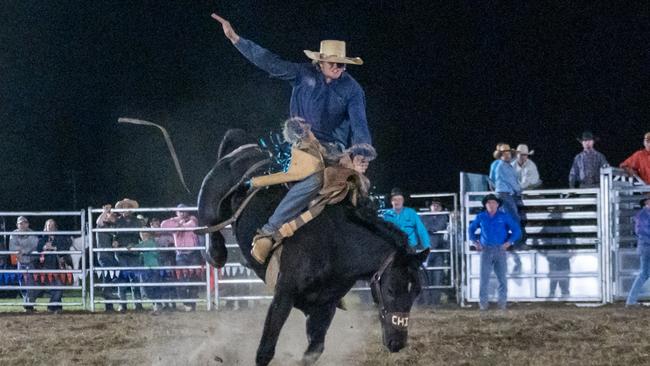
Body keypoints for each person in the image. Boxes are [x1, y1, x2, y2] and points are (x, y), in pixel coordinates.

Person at [211, 13, 372, 149]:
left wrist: (361, 154)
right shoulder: (302, 73)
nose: (337, 67)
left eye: (341, 64)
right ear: (320, 62)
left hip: (333, 149)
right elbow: (271, 63)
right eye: (332, 63)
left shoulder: (352, 89)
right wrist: (236, 39)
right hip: (300, 142)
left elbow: (360, 124)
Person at [468, 194, 522, 311]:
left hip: (500, 249)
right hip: (486, 249)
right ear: (485, 205)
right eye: (489, 203)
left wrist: (509, 242)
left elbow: (516, 230)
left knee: (502, 279)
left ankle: (502, 305)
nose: (491, 205)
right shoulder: (481, 216)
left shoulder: (504, 216)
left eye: (493, 203)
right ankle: (483, 306)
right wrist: (475, 242)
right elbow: (471, 229)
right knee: (484, 279)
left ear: (497, 205)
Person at [161, 204, 201, 312]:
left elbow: (191, 226)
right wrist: (177, 221)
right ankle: (186, 302)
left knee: (194, 278)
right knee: (181, 279)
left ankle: (192, 304)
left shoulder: (192, 219)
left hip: (193, 253)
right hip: (181, 254)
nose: (182, 213)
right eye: (180, 211)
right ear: (176, 213)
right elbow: (163, 225)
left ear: (188, 212)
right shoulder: (173, 222)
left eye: (184, 211)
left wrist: (178, 226)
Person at [112, 198, 144, 312]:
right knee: (122, 278)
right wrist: (114, 241)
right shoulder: (117, 221)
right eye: (123, 207)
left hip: (134, 252)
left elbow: (142, 236)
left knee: (135, 278)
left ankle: (138, 304)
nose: (125, 208)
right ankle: (122, 304)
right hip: (121, 252)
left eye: (128, 206)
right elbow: (114, 235)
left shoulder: (138, 221)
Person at [35, 219, 72, 313]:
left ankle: (53, 306)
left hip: (58, 268)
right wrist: (44, 247)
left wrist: (54, 248)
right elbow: (38, 248)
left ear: (55, 227)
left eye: (52, 225)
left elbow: (66, 246)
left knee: (59, 286)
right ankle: (56, 306)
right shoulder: (42, 238)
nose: (50, 227)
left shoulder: (60, 238)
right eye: (48, 225)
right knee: (57, 286)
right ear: (45, 228)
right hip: (45, 269)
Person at [489, 143, 525, 240]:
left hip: (503, 194)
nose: (507, 154)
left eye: (508, 152)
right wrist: (519, 191)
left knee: (505, 219)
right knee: (514, 218)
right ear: (501, 155)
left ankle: (502, 242)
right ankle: (518, 242)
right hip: (505, 194)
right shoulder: (503, 166)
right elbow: (513, 182)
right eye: (504, 153)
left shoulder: (504, 165)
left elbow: (491, 179)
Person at [9, 216, 39, 313]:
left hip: (31, 261)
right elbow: (12, 247)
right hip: (20, 261)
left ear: (28, 224)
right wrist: (24, 250)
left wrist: (22, 250)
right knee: (22, 283)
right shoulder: (13, 234)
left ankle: (29, 305)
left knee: (32, 283)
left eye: (24, 222)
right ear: (17, 225)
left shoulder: (33, 233)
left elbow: (34, 245)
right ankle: (28, 305)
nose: (22, 225)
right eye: (20, 223)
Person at [625, 196, 650, 307]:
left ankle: (631, 301)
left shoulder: (642, 215)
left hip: (645, 247)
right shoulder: (643, 215)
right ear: (646, 203)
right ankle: (630, 301)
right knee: (643, 273)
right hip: (647, 246)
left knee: (643, 274)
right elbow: (642, 231)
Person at [150, 216, 176, 310]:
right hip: (155, 260)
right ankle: (158, 303)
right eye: (154, 224)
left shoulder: (166, 234)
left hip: (165, 258)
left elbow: (173, 243)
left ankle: (169, 302)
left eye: (157, 224)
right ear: (151, 225)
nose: (156, 226)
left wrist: (169, 245)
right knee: (156, 281)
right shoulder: (149, 236)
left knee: (167, 280)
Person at [133, 231, 161, 312]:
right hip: (151, 267)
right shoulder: (150, 243)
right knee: (151, 287)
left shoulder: (149, 243)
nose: (142, 235)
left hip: (152, 267)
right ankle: (157, 304)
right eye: (142, 233)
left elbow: (136, 247)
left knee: (150, 287)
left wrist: (130, 246)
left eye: (143, 233)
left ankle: (157, 304)